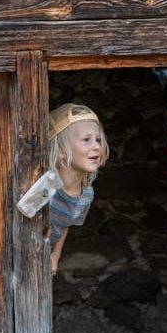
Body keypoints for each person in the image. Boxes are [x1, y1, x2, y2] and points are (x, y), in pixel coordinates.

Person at [48, 103, 109, 275]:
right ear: (60, 150)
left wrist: (55, 255)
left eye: (98, 140)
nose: (96, 146)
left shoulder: (86, 195)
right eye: (86, 140)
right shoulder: (46, 185)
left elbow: (65, 225)